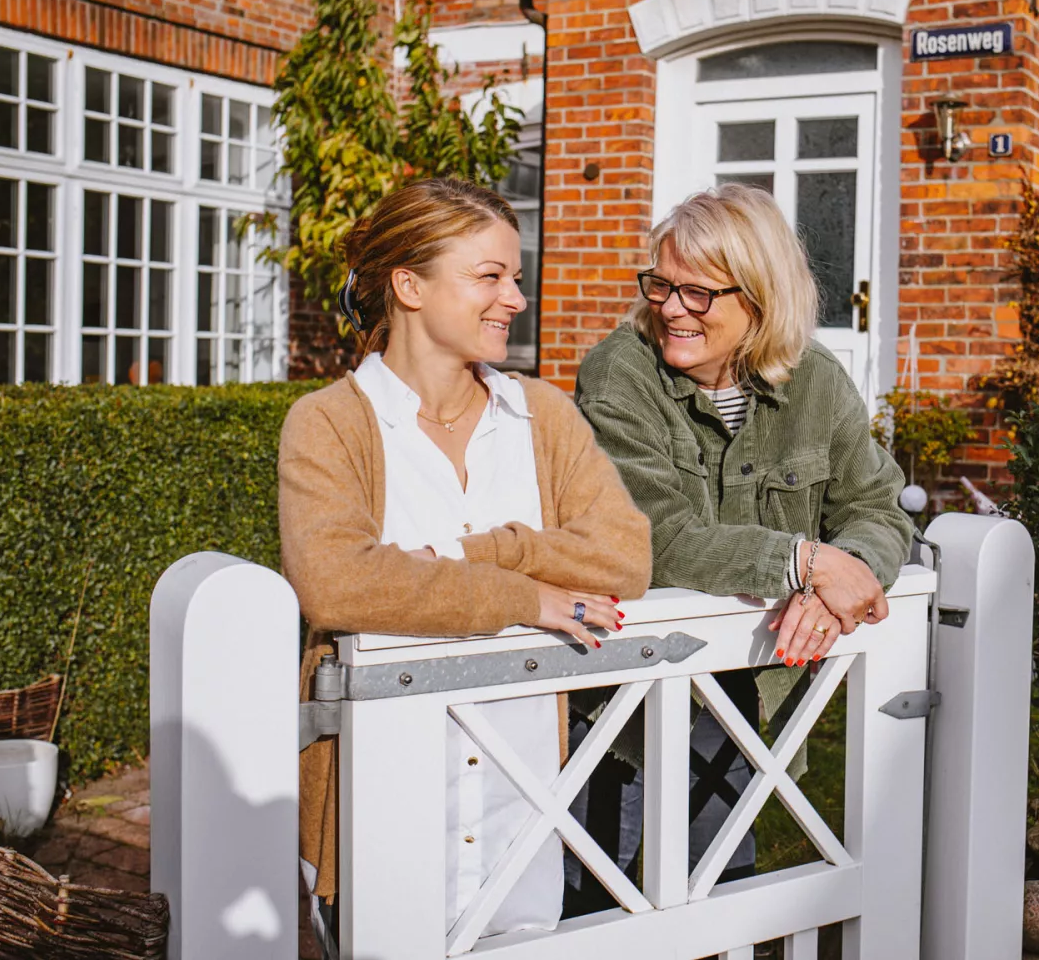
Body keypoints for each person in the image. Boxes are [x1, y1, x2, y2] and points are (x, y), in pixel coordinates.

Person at [278, 178, 651, 954]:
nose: (515, 297)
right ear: (409, 285)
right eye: (491, 275)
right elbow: (338, 581)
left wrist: (476, 553)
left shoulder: (541, 414)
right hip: (376, 808)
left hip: (528, 810)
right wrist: (526, 595)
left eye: (514, 276)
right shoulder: (328, 424)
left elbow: (626, 553)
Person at [570, 182, 913, 903]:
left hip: (750, 686)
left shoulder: (817, 381)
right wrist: (806, 562)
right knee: (591, 902)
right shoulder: (619, 374)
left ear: (760, 297)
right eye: (660, 284)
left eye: (698, 294)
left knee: (727, 892)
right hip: (621, 694)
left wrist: (834, 588)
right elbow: (653, 537)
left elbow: (879, 508)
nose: (669, 308)